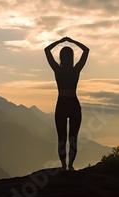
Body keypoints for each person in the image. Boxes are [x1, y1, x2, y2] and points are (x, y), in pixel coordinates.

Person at [44, 37, 89, 171]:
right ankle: (70, 166)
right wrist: (73, 41)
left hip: (62, 104)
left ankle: (64, 166)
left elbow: (46, 50)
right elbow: (86, 50)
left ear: (61, 58)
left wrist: (60, 41)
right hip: (74, 104)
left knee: (62, 138)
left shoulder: (57, 70)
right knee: (73, 138)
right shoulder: (76, 70)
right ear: (72, 57)